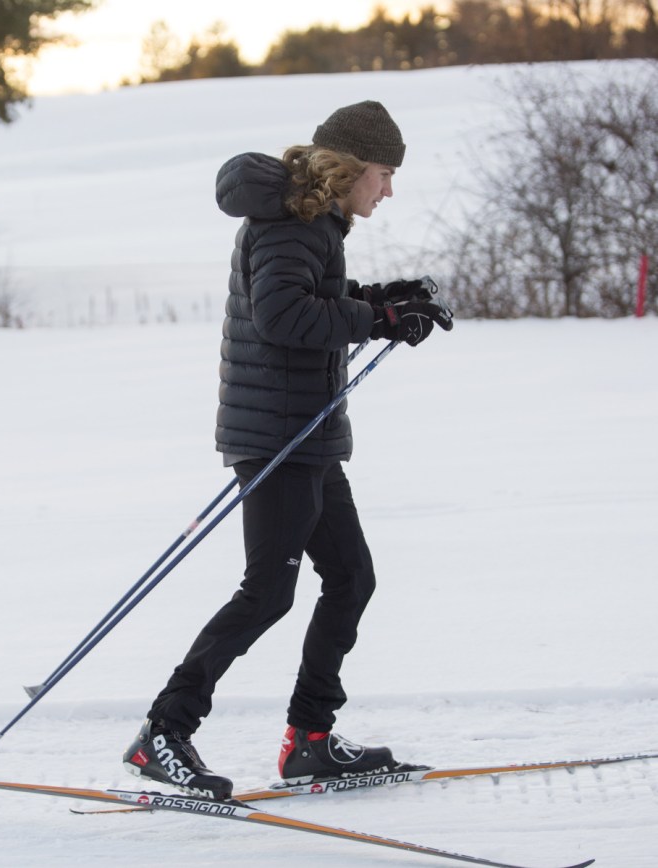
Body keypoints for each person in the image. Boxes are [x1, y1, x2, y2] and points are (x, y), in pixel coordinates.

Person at [123, 100, 453, 801]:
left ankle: (309, 741)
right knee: (268, 592)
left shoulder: (310, 222)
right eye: (385, 174)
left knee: (351, 577)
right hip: (277, 435)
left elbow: (313, 298)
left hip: (303, 433)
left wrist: (384, 299)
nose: (388, 191)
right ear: (355, 167)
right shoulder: (291, 222)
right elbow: (284, 316)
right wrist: (377, 319)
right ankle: (163, 732)